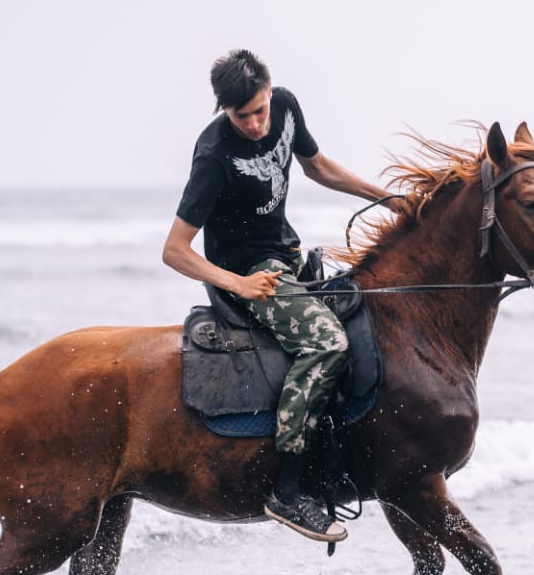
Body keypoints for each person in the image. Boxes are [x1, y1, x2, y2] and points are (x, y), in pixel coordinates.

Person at [163, 49, 393, 543]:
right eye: (241, 115)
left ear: (270, 92)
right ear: (224, 110)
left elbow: (319, 168)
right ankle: (287, 492)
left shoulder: (286, 106)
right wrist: (238, 283)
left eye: (259, 110)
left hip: (288, 257)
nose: (254, 123)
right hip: (247, 275)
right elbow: (174, 251)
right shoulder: (213, 156)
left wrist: (386, 197)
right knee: (326, 343)